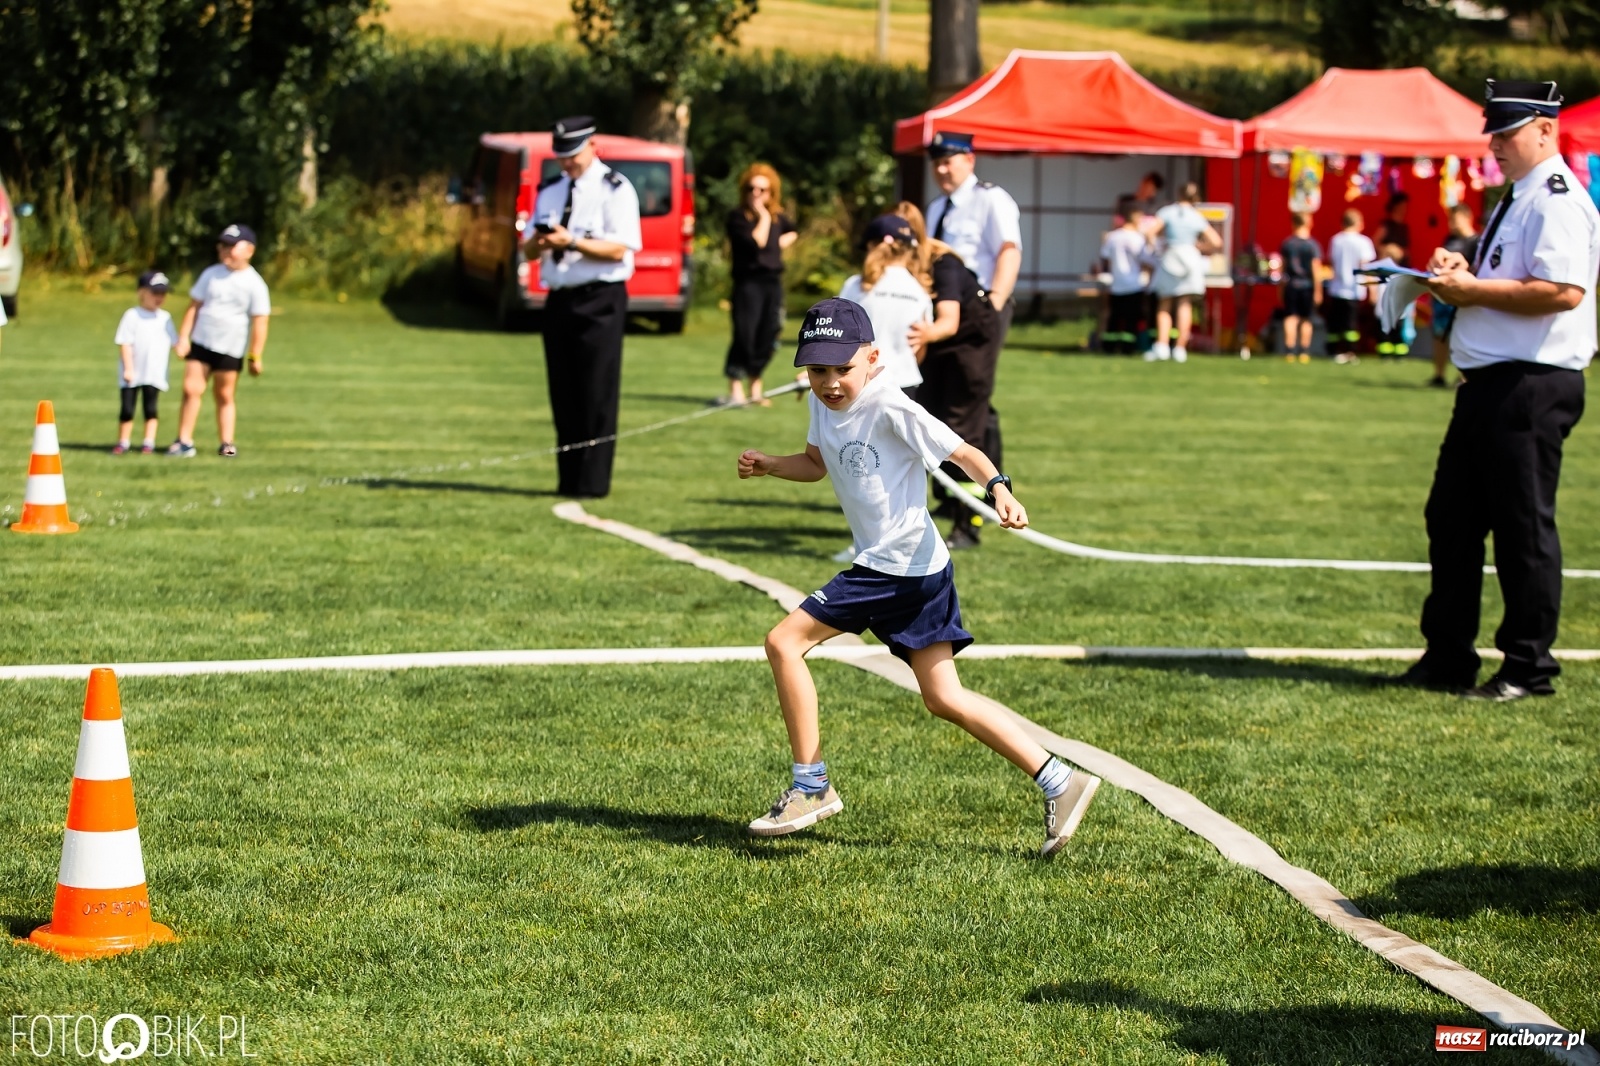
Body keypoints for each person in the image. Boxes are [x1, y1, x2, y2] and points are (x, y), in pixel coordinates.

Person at [736, 297, 1101, 856]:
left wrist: (999, 489)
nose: (830, 383)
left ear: (874, 359)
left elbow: (963, 452)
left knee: (783, 642)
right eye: (817, 371)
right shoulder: (823, 404)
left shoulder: (890, 407)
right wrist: (770, 467)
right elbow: (816, 464)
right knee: (944, 697)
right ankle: (1060, 780)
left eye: (842, 369)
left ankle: (811, 786)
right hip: (922, 567)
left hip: (895, 567)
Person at [1392, 78, 1600, 702]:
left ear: (1545, 129)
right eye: (1492, 135)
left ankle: (1527, 668)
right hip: (1493, 384)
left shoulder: (1556, 199)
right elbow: (1515, 279)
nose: (1495, 147)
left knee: (1521, 528)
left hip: (1530, 385)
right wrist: (1463, 273)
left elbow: (1562, 291)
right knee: (1451, 519)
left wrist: (1472, 291)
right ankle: (1449, 655)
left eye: (1506, 134)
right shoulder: (1520, 196)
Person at [522, 116, 642, 499]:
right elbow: (525, 246)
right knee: (564, 392)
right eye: (561, 157)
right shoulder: (551, 190)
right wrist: (538, 245)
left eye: (572, 155)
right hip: (561, 298)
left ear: (592, 147)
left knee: (596, 392)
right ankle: (568, 480)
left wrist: (571, 242)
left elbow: (620, 247)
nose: (566, 164)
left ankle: (593, 484)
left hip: (600, 299)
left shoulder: (615, 190)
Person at [922, 132, 1022, 549]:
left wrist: (994, 303)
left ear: (969, 159)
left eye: (950, 160)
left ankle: (971, 517)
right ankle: (956, 492)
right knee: (947, 404)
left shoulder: (990, 198)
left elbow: (1009, 250)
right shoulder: (936, 208)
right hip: (945, 317)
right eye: (937, 162)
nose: (943, 169)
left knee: (967, 409)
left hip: (978, 314)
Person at [897, 202, 1002, 551]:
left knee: (960, 428)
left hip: (969, 347)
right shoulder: (897, 268)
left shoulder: (944, 264)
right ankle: (947, 501)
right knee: (929, 422)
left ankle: (969, 521)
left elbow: (948, 322)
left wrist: (921, 337)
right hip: (938, 349)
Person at [171, 224, 269, 458]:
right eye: (223, 245)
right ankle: (184, 440)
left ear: (249, 250)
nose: (225, 250)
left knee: (224, 395)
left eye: (232, 246)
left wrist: (255, 355)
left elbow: (260, 322)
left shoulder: (254, 283)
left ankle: (226, 443)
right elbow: (194, 308)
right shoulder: (211, 274)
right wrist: (184, 337)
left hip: (230, 347)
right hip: (202, 341)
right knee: (190, 389)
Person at [723, 163, 797, 407]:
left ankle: (756, 387)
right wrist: (763, 215)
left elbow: (792, 231)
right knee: (745, 333)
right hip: (748, 283)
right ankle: (736, 387)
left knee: (768, 333)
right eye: (752, 189)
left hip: (771, 282)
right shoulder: (738, 219)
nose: (756, 194)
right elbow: (759, 241)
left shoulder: (778, 218)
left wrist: (781, 242)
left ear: (771, 192)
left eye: (762, 190)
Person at [838, 214, 932, 394]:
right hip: (904, 381)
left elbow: (839, 334)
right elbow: (920, 347)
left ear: (872, 246)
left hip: (860, 380)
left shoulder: (856, 285)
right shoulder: (920, 291)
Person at [1147, 182, 1220, 363]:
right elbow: (1216, 242)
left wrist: (1156, 249)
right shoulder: (1196, 216)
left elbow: (1150, 232)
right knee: (1184, 304)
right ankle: (1180, 348)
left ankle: (1162, 346)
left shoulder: (1168, 212)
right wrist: (1199, 246)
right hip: (1191, 258)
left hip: (1171, 255)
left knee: (1165, 303)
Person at [112, 271, 177, 455]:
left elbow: (176, 342)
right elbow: (125, 343)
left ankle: (148, 442)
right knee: (127, 408)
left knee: (150, 408)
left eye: (163, 294)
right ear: (142, 292)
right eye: (155, 293)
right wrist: (128, 368)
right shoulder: (132, 315)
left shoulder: (165, 318)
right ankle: (123, 441)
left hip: (154, 373)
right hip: (132, 373)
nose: (159, 298)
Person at [1428, 203, 1479, 387]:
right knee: (1439, 335)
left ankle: (1464, 377)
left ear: (1467, 217)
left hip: (1463, 298)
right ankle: (1439, 375)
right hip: (1442, 298)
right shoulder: (1448, 239)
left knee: (1464, 337)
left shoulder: (1476, 242)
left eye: (1454, 219)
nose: (1450, 223)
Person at [1099, 199, 1150, 354]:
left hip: (1116, 285)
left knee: (1114, 318)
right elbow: (1146, 259)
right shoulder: (1137, 238)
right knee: (1131, 319)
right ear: (1134, 216)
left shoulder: (1112, 236)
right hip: (1134, 284)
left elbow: (1104, 257)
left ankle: (1109, 347)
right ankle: (1128, 348)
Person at [1325, 209, 1377, 361]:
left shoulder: (1336, 240)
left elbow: (1332, 263)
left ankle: (1332, 349)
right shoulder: (1363, 242)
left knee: (1335, 322)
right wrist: (1372, 289)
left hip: (1336, 288)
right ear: (1359, 223)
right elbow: (1365, 266)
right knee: (1351, 323)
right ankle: (1350, 351)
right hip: (1354, 289)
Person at [1279, 212, 1323, 361]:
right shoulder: (1312, 245)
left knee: (1290, 318)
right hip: (1307, 285)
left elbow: (1282, 269)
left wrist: (1281, 287)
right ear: (1309, 223)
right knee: (1306, 319)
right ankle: (1304, 351)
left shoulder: (1288, 244)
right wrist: (1318, 290)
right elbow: (1315, 270)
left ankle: (1289, 351)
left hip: (1291, 284)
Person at [1375, 193, 1412, 359]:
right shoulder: (1386, 225)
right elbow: (1375, 241)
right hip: (1388, 271)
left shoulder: (1404, 227)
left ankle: (1399, 348)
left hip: (1401, 271)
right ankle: (1386, 347)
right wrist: (1387, 252)